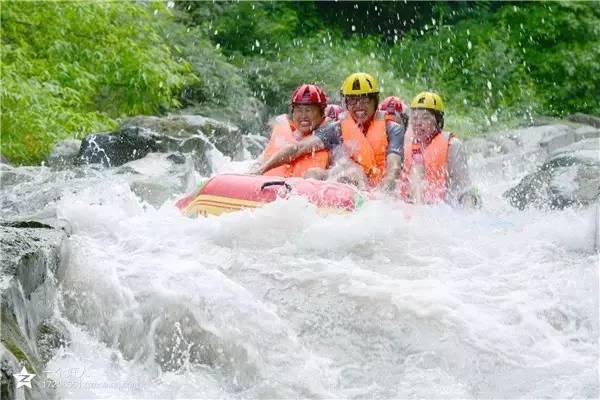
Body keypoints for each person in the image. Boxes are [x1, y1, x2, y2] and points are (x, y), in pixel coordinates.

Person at [251, 72, 405, 191]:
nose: (359, 106)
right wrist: (260, 170)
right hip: (344, 182)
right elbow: (297, 148)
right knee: (314, 173)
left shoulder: (393, 129)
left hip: (377, 187)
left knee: (353, 171)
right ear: (346, 102)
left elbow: (394, 167)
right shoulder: (336, 128)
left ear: (375, 101)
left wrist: (384, 192)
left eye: (365, 100)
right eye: (353, 100)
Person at [399, 91, 480, 207]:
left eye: (425, 118)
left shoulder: (452, 146)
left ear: (438, 121)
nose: (418, 123)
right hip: (416, 207)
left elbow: (464, 189)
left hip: (445, 207)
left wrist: (468, 213)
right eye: (415, 118)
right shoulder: (407, 147)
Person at [256, 84, 331, 178]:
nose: (303, 115)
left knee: (314, 174)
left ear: (322, 114)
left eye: (309, 110)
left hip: (308, 189)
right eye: (299, 110)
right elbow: (258, 163)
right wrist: (256, 171)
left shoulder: (331, 136)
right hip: (274, 187)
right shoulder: (284, 135)